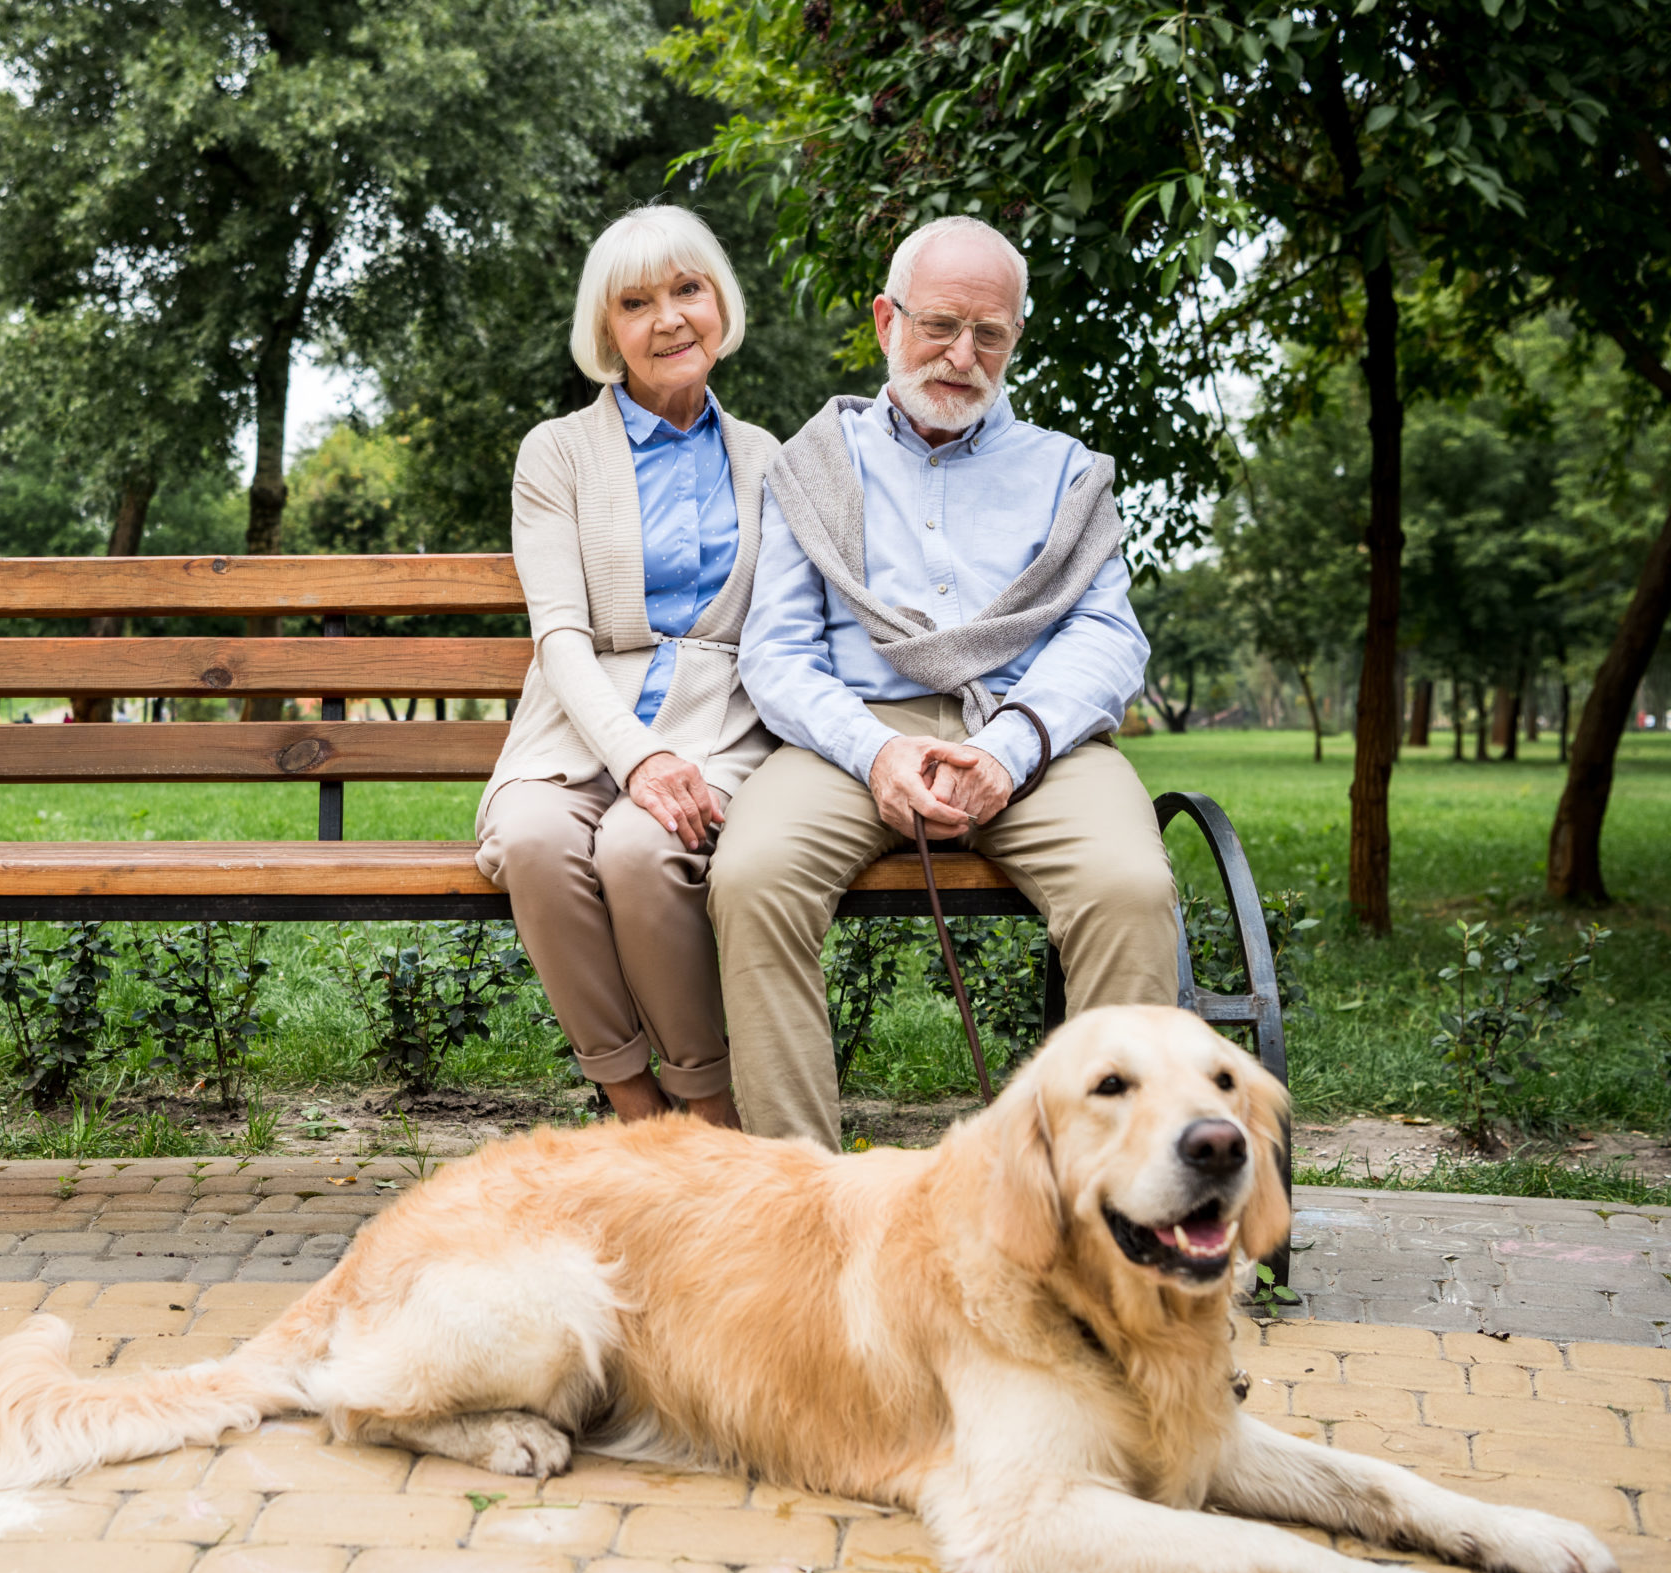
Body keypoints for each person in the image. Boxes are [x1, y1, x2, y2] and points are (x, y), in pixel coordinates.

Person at [710, 214, 1180, 1147]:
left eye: (990, 334)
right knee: (753, 876)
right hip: (852, 735)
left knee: (1130, 886)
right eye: (938, 326)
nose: (961, 355)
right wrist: (876, 751)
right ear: (887, 320)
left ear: (1013, 340)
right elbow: (777, 651)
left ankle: (1105, 1207)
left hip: (1030, 730)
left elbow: (1107, 637)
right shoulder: (816, 465)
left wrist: (1006, 752)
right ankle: (800, 1208)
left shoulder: (1067, 474)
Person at [476, 205, 781, 1129]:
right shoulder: (556, 453)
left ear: (719, 302)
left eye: (688, 289)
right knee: (534, 839)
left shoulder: (770, 457)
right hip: (575, 728)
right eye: (636, 302)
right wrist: (638, 755)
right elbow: (559, 635)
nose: (669, 318)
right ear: (606, 330)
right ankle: (639, 1114)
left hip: (720, 731)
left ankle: (711, 1109)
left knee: (641, 846)